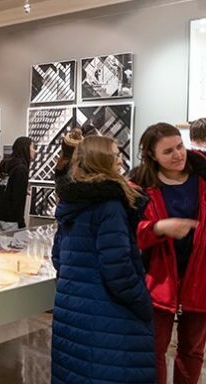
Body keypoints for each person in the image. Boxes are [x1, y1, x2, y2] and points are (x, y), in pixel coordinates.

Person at [51, 135, 155, 384]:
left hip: (71, 310)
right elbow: (118, 270)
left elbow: (58, 257)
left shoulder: (72, 200)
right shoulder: (110, 205)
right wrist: (143, 303)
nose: (120, 161)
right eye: (116, 155)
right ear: (102, 161)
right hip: (108, 314)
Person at [134, 123, 206, 384]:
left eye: (179, 146)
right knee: (153, 349)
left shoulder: (203, 176)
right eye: (168, 151)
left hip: (200, 277)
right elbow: (130, 233)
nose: (178, 154)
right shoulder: (139, 186)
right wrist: (158, 228)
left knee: (193, 350)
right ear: (152, 155)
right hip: (158, 279)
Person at [0, 137, 35, 231]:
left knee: (5, 243)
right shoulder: (21, 169)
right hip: (11, 217)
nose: (34, 151)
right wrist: (21, 222)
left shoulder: (6, 164)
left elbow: (6, 188)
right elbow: (18, 199)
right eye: (32, 147)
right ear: (25, 148)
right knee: (16, 245)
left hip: (1, 213)